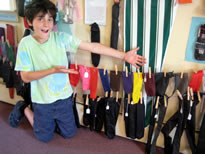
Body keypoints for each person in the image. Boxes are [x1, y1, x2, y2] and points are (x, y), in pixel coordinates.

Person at [8, 0, 146, 143]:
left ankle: (48, 121)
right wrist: (52, 70)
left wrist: (123, 56)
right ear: (30, 21)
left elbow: (94, 47)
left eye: (49, 19)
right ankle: (24, 108)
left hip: (64, 98)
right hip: (42, 101)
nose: (46, 24)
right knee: (44, 138)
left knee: (69, 133)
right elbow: (25, 77)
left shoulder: (60, 38)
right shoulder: (26, 44)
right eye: (40, 19)